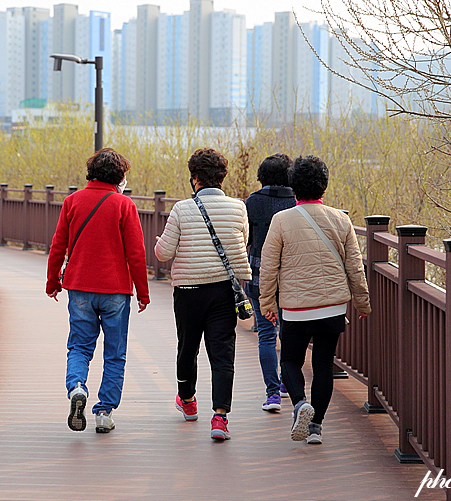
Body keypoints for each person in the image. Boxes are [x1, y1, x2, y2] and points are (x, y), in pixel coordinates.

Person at [259, 155, 371, 445]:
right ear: (324, 185)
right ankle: (316, 427)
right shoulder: (341, 219)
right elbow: (354, 266)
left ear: (294, 186)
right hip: (332, 306)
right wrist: (362, 302)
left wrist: (267, 302)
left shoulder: (281, 220)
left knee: (291, 361)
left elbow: (269, 266)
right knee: (323, 364)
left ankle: (299, 404)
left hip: (295, 308)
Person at [45, 148, 150, 434]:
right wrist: (143, 292)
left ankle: (77, 387)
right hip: (116, 290)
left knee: (79, 345)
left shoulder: (72, 202)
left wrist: (52, 282)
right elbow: (136, 254)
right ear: (120, 176)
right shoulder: (123, 205)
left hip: (79, 287)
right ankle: (104, 412)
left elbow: (58, 246)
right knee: (115, 352)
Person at [154, 148, 250, 441]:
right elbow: (242, 242)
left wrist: (161, 241)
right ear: (222, 177)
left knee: (188, 347)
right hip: (224, 290)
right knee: (222, 353)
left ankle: (188, 401)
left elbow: (163, 253)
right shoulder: (238, 207)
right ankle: (220, 417)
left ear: (195, 178)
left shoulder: (182, 209)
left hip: (189, 291)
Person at [244, 153, 296, 412]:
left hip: (258, 276)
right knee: (290, 334)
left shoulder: (252, 202)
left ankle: (272, 394)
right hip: (291, 278)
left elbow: (246, 239)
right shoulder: (297, 202)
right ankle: (288, 383)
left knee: (266, 335)